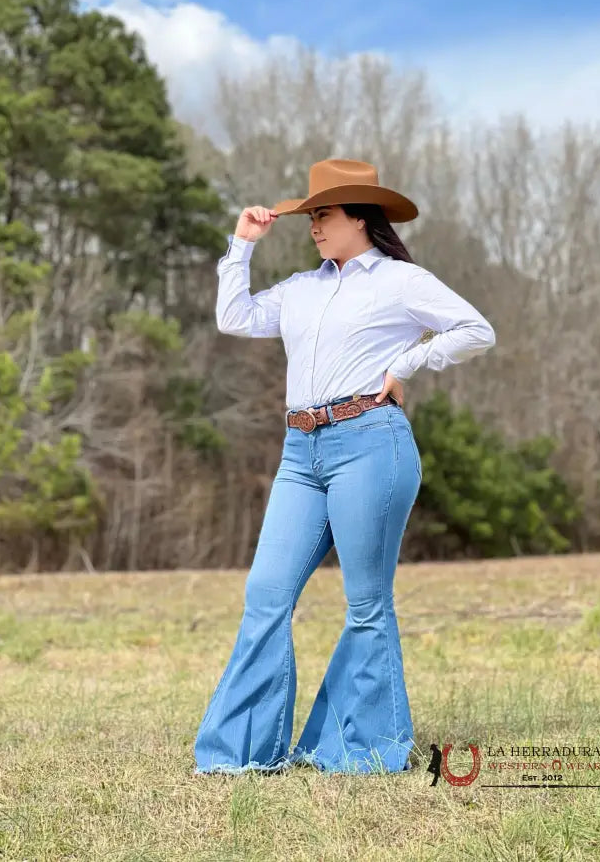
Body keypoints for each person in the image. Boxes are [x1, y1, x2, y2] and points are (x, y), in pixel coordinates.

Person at [194, 158, 496, 776]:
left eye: (323, 214)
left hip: (370, 444)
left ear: (360, 216)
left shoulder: (399, 281)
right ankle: (239, 755)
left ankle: (361, 751)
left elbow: (476, 329)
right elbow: (235, 317)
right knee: (265, 595)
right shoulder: (302, 289)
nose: (313, 226)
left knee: (366, 603)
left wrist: (407, 366)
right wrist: (241, 248)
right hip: (299, 454)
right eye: (309, 216)